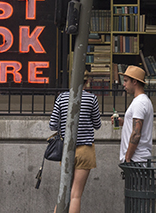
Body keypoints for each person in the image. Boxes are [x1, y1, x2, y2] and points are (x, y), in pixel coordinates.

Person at [49, 75, 101, 213]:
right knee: (75, 195)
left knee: (63, 193)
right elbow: (97, 124)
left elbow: (53, 125)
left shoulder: (61, 98)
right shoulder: (91, 98)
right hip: (85, 150)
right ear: (87, 81)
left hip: (66, 150)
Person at [113, 65, 153, 163]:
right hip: (138, 159)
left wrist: (127, 157)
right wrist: (124, 122)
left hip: (135, 160)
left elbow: (136, 134)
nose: (124, 84)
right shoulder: (143, 101)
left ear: (134, 82)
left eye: (126, 81)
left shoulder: (139, 103)